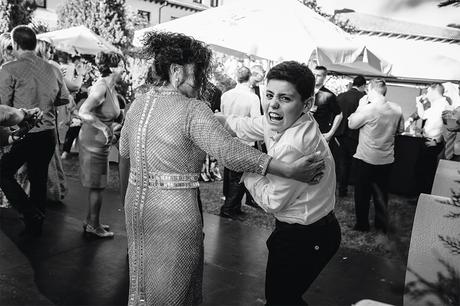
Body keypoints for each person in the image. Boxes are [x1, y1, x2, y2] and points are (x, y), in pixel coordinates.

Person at [118, 31, 325, 306]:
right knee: (173, 286)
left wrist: (126, 198)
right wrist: (286, 170)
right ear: (177, 71)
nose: (203, 79)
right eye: (199, 71)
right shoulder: (191, 109)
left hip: (136, 206)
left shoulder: (139, 103)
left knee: (142, 281)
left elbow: (123, 153)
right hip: (174, 210)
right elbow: (228, 151)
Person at [217, 61, 340, 305]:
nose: (273, 103)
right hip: (305, 231)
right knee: (284, 298)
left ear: (306, 104)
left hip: (306, 237)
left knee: (280, 299)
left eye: (285, 98)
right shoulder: (284, 120)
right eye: (270, 95)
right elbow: (246, 125)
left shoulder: (293, 144)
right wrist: (217, 119)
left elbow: (273, 200)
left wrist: (247, 169)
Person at [0, 26, 69, 236]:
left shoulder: (9, 69)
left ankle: (30, 213)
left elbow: (2, 106)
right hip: (47, 134)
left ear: (15, 44)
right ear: (35, 43)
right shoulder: (53, 69)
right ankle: (36, 222)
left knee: (2, 173)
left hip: (24, 133)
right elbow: (63, 99)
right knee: (38, 177)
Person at [78, 51, 124, 238]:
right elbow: (83, 111)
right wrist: (103, 128)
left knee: (99, 184)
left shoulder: (111, 88)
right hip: (93, 141)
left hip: (101, 142)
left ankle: (91, 221)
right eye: (121, 65)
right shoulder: (101, 87)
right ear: (112, 68)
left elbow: (110, 114)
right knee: (97, 185)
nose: (124, 69)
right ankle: (93, 226)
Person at [348, 79, 404, 233]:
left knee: (362, 194)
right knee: (381, 193)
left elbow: (351, 124)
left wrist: (360, 106)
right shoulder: (397, 108)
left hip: (367, 158)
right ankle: (381, 224)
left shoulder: (368, 108)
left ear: (371, 90)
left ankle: (362, 225)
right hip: (387, 158)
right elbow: (400, 130)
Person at [220, 66, 262, 219]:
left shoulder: (226, 95)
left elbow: (223, 116)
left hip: (228, 139)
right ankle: (228, 209)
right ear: (249, 76)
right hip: (244, 141)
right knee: (239, 177)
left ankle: (234, 207)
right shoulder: (252, 97)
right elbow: (256, 121)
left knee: (230, 174)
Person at [35, 38, 68, 203]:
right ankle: (54, 192)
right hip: (47, 120)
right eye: (49, 50)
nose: (51, 53)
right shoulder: (53, 68)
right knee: (49, 159)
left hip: (27, 121)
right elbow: (63, 98)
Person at [408, 83, 451, 194]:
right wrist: (422, 131)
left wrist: (418, 102)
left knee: (425, 171)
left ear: (434, 91)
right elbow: (433, 122)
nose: (427, 94)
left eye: (428, 91)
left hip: (433, 142)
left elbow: (423, 115)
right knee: (421, 170)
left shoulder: (442, 105)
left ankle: (423, 197)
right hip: (429, 139)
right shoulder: (437, 104)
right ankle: (419, 196)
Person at [335, 75, 366, 197]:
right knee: (358, 165)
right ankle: (359, 191)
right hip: (355, 135)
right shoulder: (364, 98)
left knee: (343, 163)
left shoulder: (340, 96)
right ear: (363, 85)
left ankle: (342, 190)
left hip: (340, 135)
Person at [311, 66, 342, 143]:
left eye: (318, 75)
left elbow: (339, 114)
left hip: (319, 135)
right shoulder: (304, 92)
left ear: (324, 77)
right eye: (314, 74)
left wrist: (330, 133)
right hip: (303, 133)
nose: (315, 77)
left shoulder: (329, 95)